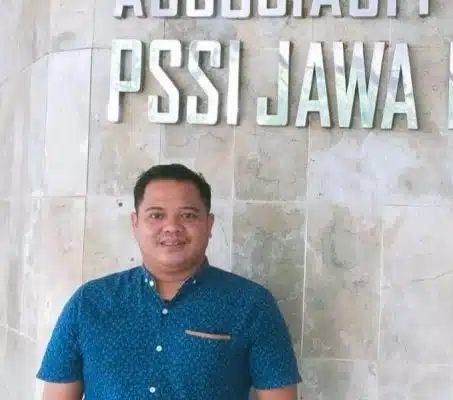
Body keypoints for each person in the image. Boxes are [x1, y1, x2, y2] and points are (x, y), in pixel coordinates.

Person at [36, 164, 301, 400]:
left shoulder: (252, 305)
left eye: (188, 215)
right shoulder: (89, 302)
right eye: (156, 215)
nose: (172, 227)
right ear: (135, 223)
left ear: (209, 225)